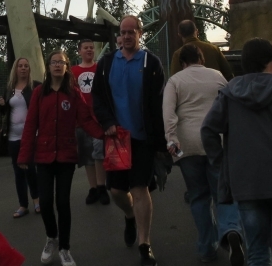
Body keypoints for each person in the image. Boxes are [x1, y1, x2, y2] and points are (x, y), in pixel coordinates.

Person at [201, 38, 272, 266]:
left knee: (257, 250)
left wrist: (222, 162)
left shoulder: (229, 92)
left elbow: (208, 129)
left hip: (246, 180)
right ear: (268, 61)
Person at [18, 49, 105, 266]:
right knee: (46, 202)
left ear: (67, 67)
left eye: (61, 62)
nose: (57, 65)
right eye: (54, 62)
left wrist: (106, 135)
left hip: (66, 156)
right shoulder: (39, 93)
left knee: (63, 202)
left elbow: (86, 120)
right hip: (44, 156)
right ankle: (52, 237)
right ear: (48, 67)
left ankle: (65, 248)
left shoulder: (73, 93)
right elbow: (30, 125)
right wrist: (24, 155)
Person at [92, 15, 167, 266]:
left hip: (142, 139)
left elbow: (158, 103)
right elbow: (98, 99)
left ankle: (145, 244)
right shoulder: (106, 63)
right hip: (116, 140)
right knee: (116, 191)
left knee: (140, 188)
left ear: (140, 34)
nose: (126, 36)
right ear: (118, 36)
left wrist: (161, 143)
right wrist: (107, 122)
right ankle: (129, 215)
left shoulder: (151, 63)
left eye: (131, 32)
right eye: (123, 32)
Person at [163, 44, 244, 264]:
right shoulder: (217, 76)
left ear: (182, 63)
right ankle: (231, 230)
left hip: (187, 145)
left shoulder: (175, 81)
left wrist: (172, 140)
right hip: (216, 141)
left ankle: (207, 248)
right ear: (201, 59)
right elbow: (230, 106)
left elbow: (168, 113)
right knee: (223, 193)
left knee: (198, 196)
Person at [0, 57, 41, 217]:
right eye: (20, 66)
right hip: (12, 136)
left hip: (30, 136)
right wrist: (1, 105)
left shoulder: (35, 86)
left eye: (26, 66)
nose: (23, 68)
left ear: (29, 69)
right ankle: (23, 205)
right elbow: (4, 112)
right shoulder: (9, 88)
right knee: (18, 171)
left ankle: (37, 201)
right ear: (15, 69)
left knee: (30, 168)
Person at [71, 39, 109, 205]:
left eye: (91, 48)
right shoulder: (73, 71)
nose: (89, 50)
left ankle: (102, 186)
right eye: (85, 48)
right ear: (79, 51)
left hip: (98, 118)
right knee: (87, 154)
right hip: (81, 120)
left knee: (99, 152)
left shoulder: (100, 69)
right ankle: (93, 188)